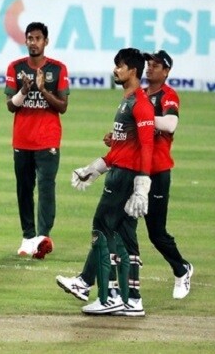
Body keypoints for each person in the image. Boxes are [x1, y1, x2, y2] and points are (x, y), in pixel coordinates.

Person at [56, 50, 193, 304]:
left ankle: (181, 270)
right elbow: (127, 144)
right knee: (125, 231)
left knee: (154, 232)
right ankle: (129, 297)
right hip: (135, 169)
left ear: (166, 71)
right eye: (149, 64)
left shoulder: (158, 98)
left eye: (156, 65)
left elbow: (170, 126)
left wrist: (140, 120)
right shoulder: (133, 100)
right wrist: (98, 164)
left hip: (154, 172)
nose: (151, 67)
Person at [61, 48, 154, 316]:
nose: (116, 70)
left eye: (120, 66)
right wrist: (94, 169)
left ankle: (108, 295)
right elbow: (122, 148)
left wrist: (142, 186)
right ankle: (132, 299)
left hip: (125, 176)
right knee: (125, 235)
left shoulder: (140, 102)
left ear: (132, 71)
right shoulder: (126, 101)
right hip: (120, 170)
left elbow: (147, 145)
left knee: (102, 228)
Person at [4, 22, 69, 259]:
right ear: (26, 41)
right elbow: (11, 106)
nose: (33, 42)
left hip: (48, 141)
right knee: (24, 190)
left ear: (46, 41)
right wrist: (24, 91)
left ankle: (42, 238)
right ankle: (28, 236)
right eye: (29, 38)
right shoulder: (15, 67)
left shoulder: (58, 69)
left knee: (46, 188)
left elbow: (62, 106)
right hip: (22, 141)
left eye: (38, 38)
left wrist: (42, 90)